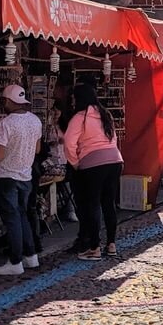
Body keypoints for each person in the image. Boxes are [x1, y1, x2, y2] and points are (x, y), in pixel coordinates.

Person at [64, 84, 123, 260]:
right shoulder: (106, 115)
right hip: (114, 160)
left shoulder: (79, 118)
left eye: (74, 98)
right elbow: (114, 138)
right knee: (109, 203)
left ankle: (94, 247)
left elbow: (69, 143)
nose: (72, 101)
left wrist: (75, 163)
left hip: (93, 163)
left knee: (93, 204)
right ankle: (111, 244)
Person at [0, 84, 43, 276]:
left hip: (7, 176)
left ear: (8, 101)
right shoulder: (35, 121)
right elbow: (37, 149)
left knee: (12, 219)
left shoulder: (6, 123)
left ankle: (15, 260)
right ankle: (31, 256)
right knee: (22, 215)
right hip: (25, 176)